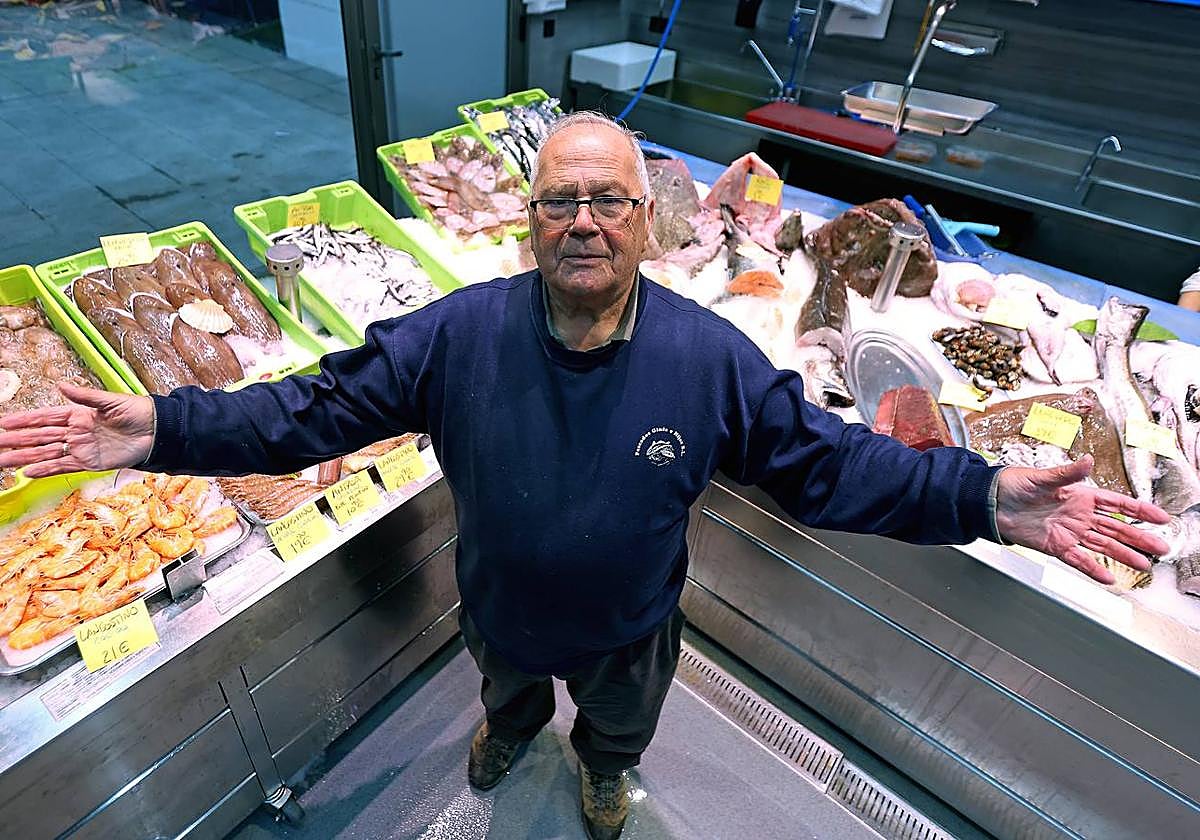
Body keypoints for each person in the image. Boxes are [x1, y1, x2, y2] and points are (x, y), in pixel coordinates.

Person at [0, 113, 1170, 840]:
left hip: (631, 626)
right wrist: (160, 428)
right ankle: (510, 734)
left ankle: (605, 783)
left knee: (616, 730)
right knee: (506, 695)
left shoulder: (709, 361)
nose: (585, 221)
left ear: (644, 225)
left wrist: (982, 498)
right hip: (500, 607)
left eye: (609, 199)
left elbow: (831, 465)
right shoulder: (453, 337)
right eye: (559, 200)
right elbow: (305, 411)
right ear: (529, 223)